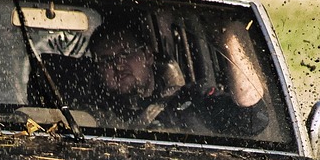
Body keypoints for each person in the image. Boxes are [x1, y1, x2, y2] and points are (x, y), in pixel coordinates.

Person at [87, 17, 269, 135]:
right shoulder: (87, 109)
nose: (118, 65)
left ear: (148, 55)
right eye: (106, 60)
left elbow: (252, 118)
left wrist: (230, 35)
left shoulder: (191, 101)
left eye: (126, 53)